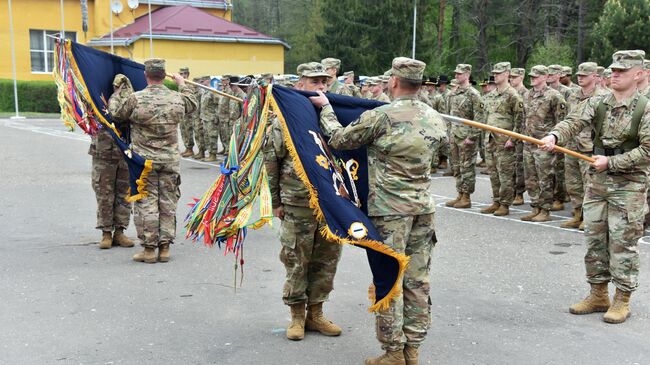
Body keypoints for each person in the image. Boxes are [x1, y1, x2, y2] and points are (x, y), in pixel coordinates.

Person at [311, 56, 446, 365]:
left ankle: (394, 352)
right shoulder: (435, 117)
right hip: (423, 209)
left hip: (390, 212)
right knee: (418, 280)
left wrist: (326, 109)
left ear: (394, 82)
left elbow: (339, 140)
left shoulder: (381, 116)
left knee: (389, 278)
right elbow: (441, 156)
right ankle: (413, 349)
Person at [540, 50, 650, 324]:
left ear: (638, 74)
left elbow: (648, 150)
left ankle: (622, 299)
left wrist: (611, 163)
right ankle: (598, 293)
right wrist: (554, 135)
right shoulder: (599, 102)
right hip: (598, 183)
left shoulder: (645, 108)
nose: (614, 74)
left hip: (629, 185)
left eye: (622, 71)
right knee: (594, 239)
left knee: (623, 243)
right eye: (613, 70)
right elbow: (574, 121)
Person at [264, 62, 343, 342]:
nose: (321, 87)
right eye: (314, 82)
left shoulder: (335, 116)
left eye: (324, 82)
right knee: (297, 258)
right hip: (296, 201)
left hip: (330, 204)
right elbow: (271, 161)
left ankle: (316, 313)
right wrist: (275, 200)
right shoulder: (285, 119)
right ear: (300, 85)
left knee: (326, 260)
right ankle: (297, 315)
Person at [109, 58, 197, 263]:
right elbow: (192, 104)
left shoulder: (136, 99)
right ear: (164, 75)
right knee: (168, 203)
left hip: (144, 162)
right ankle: (164, 248)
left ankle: (149, 250)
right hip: (169, 160)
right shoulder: (176, 98)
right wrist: (182, 84)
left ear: (146, 75)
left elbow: (116, 115)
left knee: (146, 204)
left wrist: (115, 96)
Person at [561, 62, 608, 230]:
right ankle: (577, 214)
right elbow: (569, 119)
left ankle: (590, 218)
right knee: (573, 183)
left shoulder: (604, 96)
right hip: (571, 145)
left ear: (595, 77)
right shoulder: (573, 95)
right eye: (579, 75)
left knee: (591, 185)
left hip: (590, 147)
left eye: (584, 75)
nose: (580, 78)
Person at [91, 74, 134, 250]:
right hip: (103, 150)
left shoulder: (131, 99)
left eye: (123, 84)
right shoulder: (97, 96)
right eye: (117, 85)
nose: (119, 87)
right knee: (104, 192)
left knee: (124, 193)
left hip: (125, 151)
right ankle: (106, 232)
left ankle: (120, 231)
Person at [519, 65, 567, 222]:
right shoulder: (527, 95)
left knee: (545, 178)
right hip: (528, 142)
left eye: (537, 76)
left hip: (544, 143)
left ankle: (545, 209)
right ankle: (535, 207)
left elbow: (561, 121)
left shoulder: (554, 96)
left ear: (546, 77)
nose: (533, 78)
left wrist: (556, 141)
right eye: (532, 76)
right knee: (530, 178)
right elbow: (524, 118)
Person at [480, 62, 524, 216]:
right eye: (494, 73)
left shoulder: (512, 95)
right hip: (491, 139)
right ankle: (496, 201)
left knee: (505, 174)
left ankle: (505, 204)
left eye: (498, 73)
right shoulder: (491, 95)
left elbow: (520, 120)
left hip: (505, 141)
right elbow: (487, 117)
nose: (495, 75)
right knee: (493, 172)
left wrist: (513, 139)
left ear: (507, 74)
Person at [444, 64, 483, 209]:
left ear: (467, 74)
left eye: (459, 74)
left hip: (466, 138)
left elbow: (479, 118)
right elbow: (448, 116)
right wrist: (448, 134)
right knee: (456, 166)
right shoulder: (452, 94)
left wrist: (472, 137)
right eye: (455, 74)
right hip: (454, 136)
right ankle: (460, 193)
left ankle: (466, 197)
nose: (456, 76)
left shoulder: (473, 94)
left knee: (467, 168)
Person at [509, 67, 528, 205]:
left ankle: (519, 193)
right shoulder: (509, 93)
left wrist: (520, 135)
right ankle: (510, 191)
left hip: (520, 134)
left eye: (514, 77)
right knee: (510, 164)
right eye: (510, 77)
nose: (511, 79)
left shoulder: (525, 94)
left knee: (519, 165)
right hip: (509, 132)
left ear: (521, 77)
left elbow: (525, 117)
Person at [200, 76, 220, 162]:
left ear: (208, 81)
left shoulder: (213, 91)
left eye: (202, 81)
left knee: (212, 137)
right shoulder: (205, 92)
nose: (200, 83)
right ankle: (210, 153)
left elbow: (218, 104)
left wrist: (216, 117)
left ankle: (213, 155)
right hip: (205, 118)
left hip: (211, 118)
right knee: (207, 137)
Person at [178, 67, 197, 158]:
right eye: (181, 74)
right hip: (182, 113)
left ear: (188, 74)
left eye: (184, 74)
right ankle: (186, 148)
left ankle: (190, 149)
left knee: (188, 131)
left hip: (189, 114)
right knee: (183, 131)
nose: (183, 76)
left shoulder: (190, 86)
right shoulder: (180, 85)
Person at [217, 75, 232, 156]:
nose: (222, 82)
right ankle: (224, 148)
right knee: (222, 134)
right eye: (222, 80)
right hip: (221, 116)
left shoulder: (229, 91)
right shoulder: (223, 90)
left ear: (228, 81)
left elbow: (231, 104)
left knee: (227, 134)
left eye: (224, 80)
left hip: (227, 116)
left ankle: (228, 149)